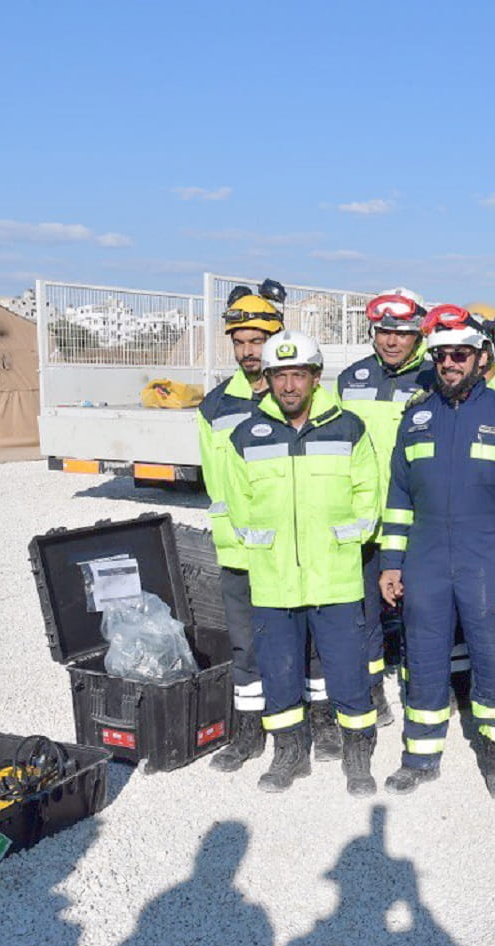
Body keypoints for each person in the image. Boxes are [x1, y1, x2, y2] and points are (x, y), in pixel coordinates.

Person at [378, 305, 495, 799]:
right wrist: (391, 562)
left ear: (481, 358)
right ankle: (420, 754)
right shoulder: (416, 418)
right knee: (424, 656)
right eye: (442, 355)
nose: (450, 362)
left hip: (488, 558)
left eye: (460, 354)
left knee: (493, 654)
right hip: (426, 558)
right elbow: (399, 498)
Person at [223, 331, 382, 795]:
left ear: (315, 377)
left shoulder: (347, 427)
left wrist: (343, 540)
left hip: (334, 576)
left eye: (298, 375)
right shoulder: (246, 435)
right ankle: (289, 754)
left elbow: (367, 496)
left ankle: (358, 753)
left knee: (349, 672)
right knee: (280, 672)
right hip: (274, 580)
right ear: (267, 380)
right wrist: (266, 548)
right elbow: (239, 504)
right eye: (279, 376)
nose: (289, 386)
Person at [333, 290, 430, 746]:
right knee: (367, 608)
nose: (392, 342)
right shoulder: (350, 379)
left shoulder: (436, 376)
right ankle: (374, 689)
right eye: (385, 332)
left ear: (418, 335)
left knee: (422, 606)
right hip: (365, 514)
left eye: (402, 334)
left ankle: (423, 688)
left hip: (419, 514)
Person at [203, 281, 282, 773]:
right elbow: (216, 482)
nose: (248, 351)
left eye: (257, 341)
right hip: (240, 550)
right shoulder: (215, 406)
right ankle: (250, 734)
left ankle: (309, 729)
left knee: (305, 640)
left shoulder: (302, 393)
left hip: (294, 546)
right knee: (245, 645)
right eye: (240, 342)